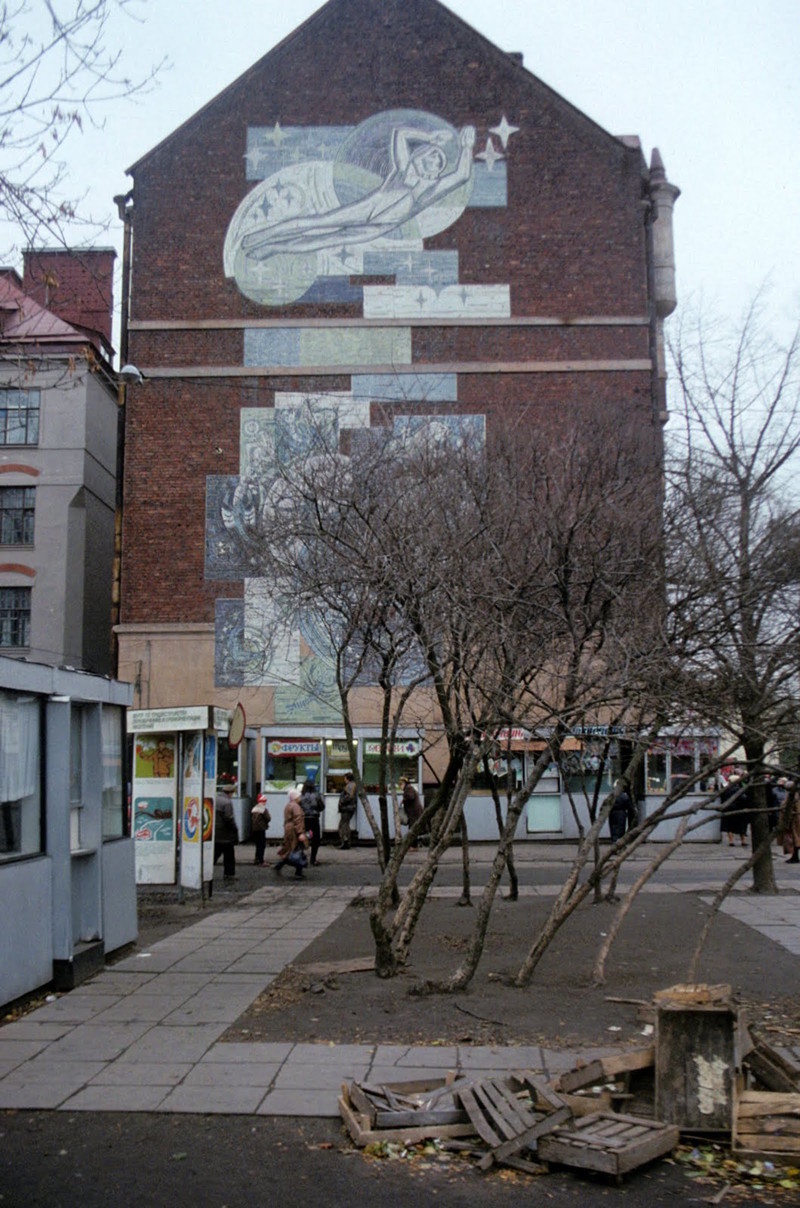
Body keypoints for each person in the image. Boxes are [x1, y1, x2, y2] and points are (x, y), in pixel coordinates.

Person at [241, 124, 476, 262]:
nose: (436, 161)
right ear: (421, 154)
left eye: (440, 162)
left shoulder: (430, 191)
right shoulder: (404, 169)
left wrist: (467, 146)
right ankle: (262, 234)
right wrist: (429, 137)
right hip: (367, 207)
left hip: (380, 226)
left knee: (326, 240)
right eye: (433, 154)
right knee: (317, 222)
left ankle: (272, 248)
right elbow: (400, 133)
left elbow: (462, 175)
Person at [273, 787, 308, 878]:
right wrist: (300, 832)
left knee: (291, 848)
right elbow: (298, 819)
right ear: (295, 797)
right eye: (299, 796)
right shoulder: (296, 807)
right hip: (294, 830)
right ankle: (298, 870)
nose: (300, 798)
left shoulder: (289, 805)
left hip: (289, 829)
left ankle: (281, 865)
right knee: (296, 849)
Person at [213, 784, 239, 880]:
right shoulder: (227, 803)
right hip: (225, 834)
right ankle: (229, 874)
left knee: (214, 854)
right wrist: (234, 829)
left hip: (215, 833)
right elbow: (229, 819)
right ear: (230, 793)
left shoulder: (215, 799)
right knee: (229, 856)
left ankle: (205, 870)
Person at [720, 773, 750, 847]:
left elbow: (722, 798)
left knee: (730, 826)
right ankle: (743, 841)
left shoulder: (725, 789)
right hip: (739, 810)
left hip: (728, 809)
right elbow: (744, 799)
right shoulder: (740, 789)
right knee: (742, 826)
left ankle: (731, 841)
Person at [299, 778, 325, 866]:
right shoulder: (316, 795)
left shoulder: (301, 796)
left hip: (304, 819)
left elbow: (298, 807)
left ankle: (301, 857)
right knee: (315, 839)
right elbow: (322, 807)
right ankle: (313, 859)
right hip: (314, 819)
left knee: (303, 837)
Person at [779, 780, 800, 864]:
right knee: (795, 839)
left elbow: (789, 809)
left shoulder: (793, 797)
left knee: (794, 840)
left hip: (794, 821)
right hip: (795, 820)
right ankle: (795, 856)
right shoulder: (795, 795)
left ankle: (795, 857)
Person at [401, 777, 423, 849]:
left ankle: (414, 846)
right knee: (413, 828)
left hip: (414, 813)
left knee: (412, 829)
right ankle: (414, 845)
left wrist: (404, 799)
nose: (400, 786)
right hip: (413, 813)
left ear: (405, 783)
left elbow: (411, 797)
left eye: (401, 784)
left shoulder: (409, 788)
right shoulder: (409, 788)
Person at [337, 773, 357, 850]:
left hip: (347, 808)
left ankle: (345, 841)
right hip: (349, 808)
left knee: (343, 825)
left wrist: (341, 801)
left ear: (348, 778)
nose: (344, 780)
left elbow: (349, 796)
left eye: (345, 778)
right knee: (345, 824)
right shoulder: (352, 785)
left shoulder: (350, 785)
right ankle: (346, 842)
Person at [250, 792, 271, 866]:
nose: (265, 802)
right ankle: (261, 861)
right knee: (262, 845)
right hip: (261, 829)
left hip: (254, 829)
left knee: (258, 845)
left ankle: (256, 859)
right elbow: (268, 818)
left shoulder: (254, 808)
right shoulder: (263, 809)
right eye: (264, 801)